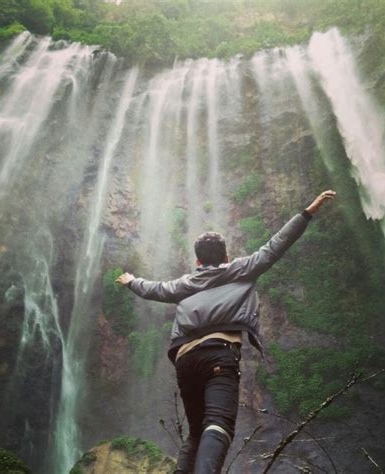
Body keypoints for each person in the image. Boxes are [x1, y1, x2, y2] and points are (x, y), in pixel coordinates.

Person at [116, 190, 336, 473]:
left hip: (185, 360)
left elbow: (155, 289)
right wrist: (307, 213)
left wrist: (133, 280)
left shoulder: (185, 283)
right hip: (218, 356)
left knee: (196, 433)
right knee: (218, 423)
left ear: (198, 262)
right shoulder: (241, 269)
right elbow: (276, 246)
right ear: (226, 256)